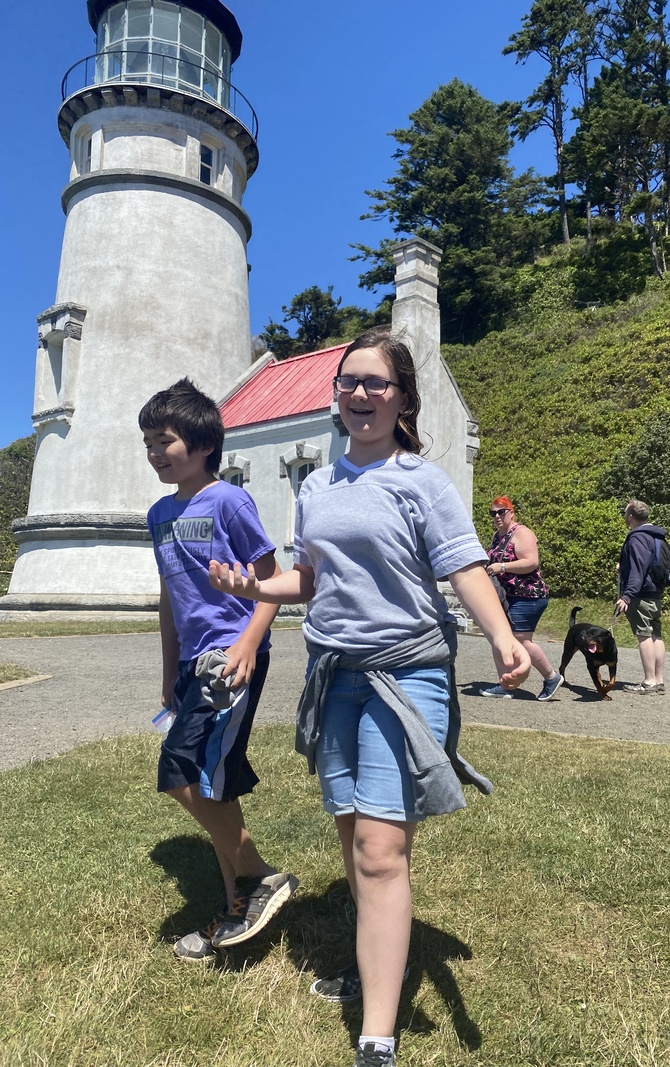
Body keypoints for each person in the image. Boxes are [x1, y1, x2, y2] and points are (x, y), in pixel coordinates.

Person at [208, 327, 531, 1067]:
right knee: (354, 838)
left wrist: (501, 637)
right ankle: (370, 956)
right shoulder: (318, 485)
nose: (359, 394)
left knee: (383, 850)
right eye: (349, 381)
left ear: (402, 399)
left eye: (376, 384)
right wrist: (255, 586)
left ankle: (376, 1037)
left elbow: (465, 565)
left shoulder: (422, 480)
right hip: (334, 676)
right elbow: (312, 578)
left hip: (404, 674)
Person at [139, 378, 298, 963]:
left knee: (181, 774)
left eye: (166, 441)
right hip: (189, 663)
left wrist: (251, 644)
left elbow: (270, 580)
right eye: (148, 443)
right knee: (212, 789)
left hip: (230, 657)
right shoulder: (158, 513)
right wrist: (167, 669)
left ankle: (259, 874)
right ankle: (237, 911)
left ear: (204, 444)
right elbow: (169, 596)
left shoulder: (229, 501)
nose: (156, 453)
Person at [480, 497, 563, 702]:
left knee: (521, 642)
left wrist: (503, 567)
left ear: (511, 512)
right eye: (493, 513)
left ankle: (551, 677)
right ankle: (506, 684)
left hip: (527, 596)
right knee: (502, 639)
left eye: (501, 512)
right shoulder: (498, 536)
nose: (497, 516)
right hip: (510, 597)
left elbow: (532, 562)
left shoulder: (522, 533)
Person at [615, 499, 667, 695]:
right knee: (656, 634)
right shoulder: (656, 536)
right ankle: (659, 680)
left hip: (641, 594)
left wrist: (627, 596)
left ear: (631, 517)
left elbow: (639, 567)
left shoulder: (637, 537)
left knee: (643, 634)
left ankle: (649, 681)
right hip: (655, 591)